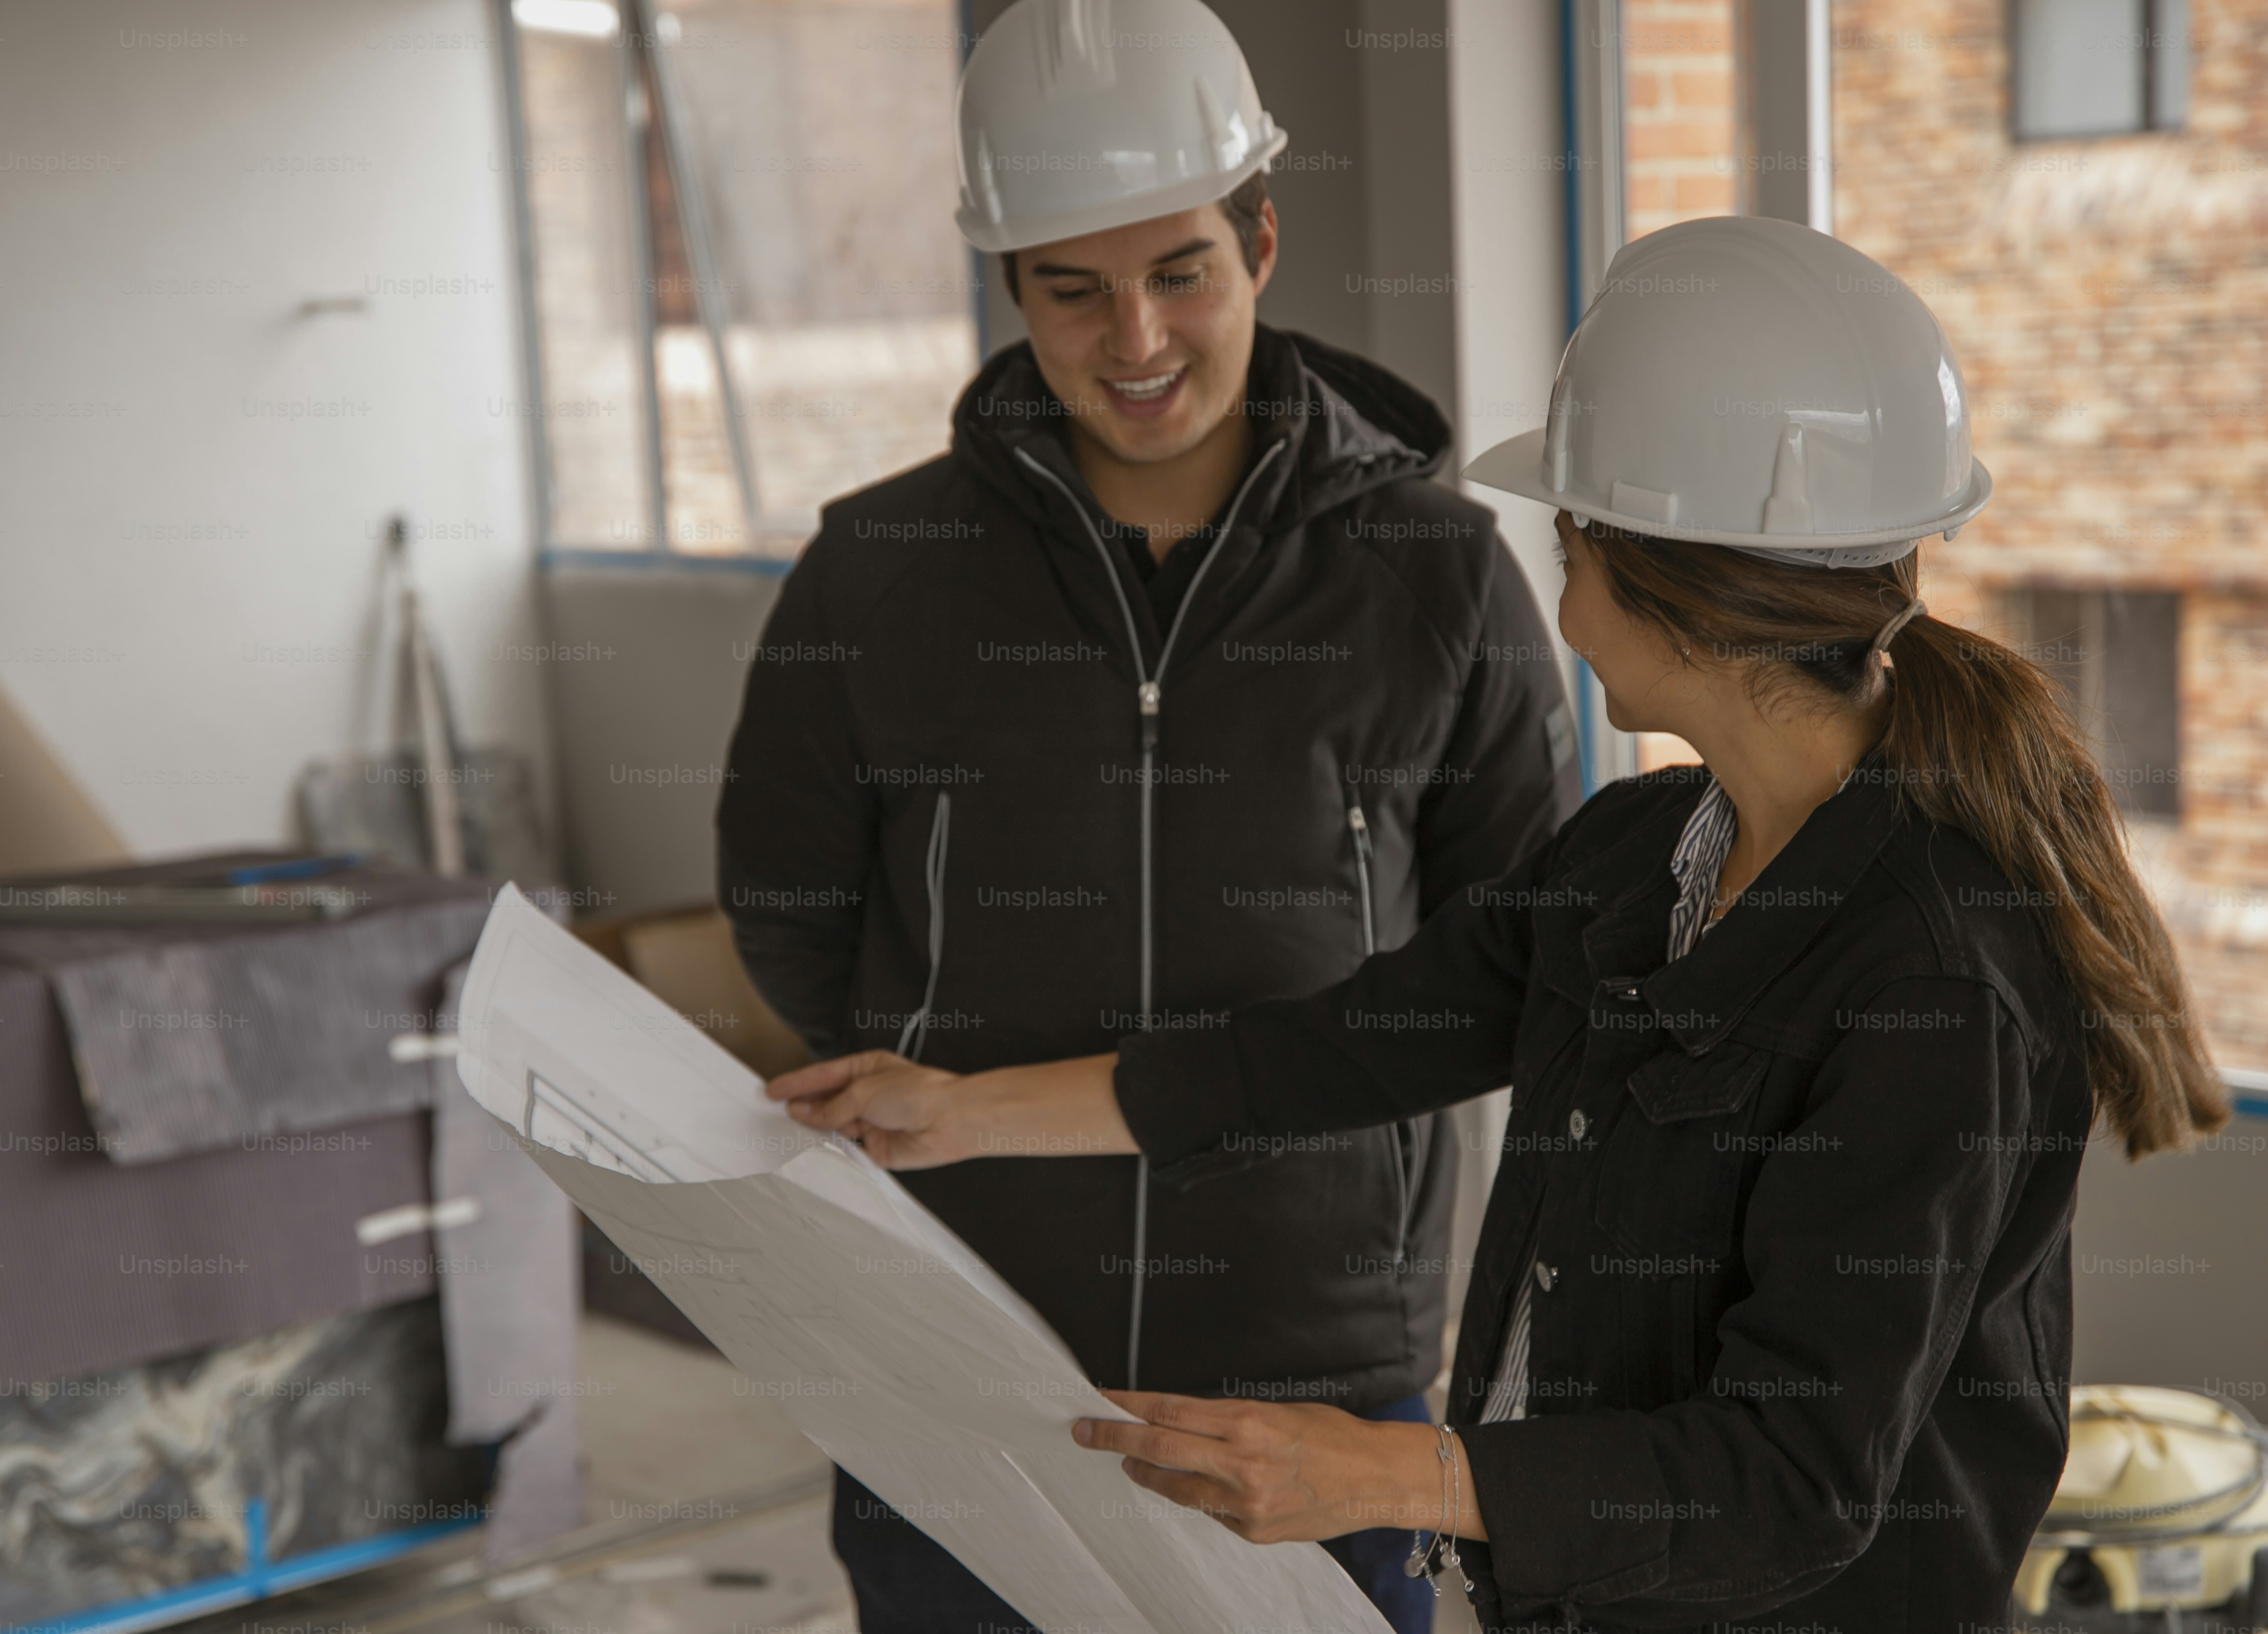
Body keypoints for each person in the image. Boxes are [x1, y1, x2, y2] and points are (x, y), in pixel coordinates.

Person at [761, 215, 2230, 1633]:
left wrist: (1373, 1468)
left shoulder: (1934, 978)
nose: (1563, 593)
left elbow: (1794, 1479)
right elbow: (1338, 1049)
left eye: (1574, 545)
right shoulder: (1635, 857)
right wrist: (957, 1109)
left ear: (1666, 582)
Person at [714, 1, 1576, 1628]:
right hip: (955, 1333)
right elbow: (788, 909)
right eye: (1073, 288)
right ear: (1010, 285)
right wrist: (954, 1076)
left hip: (1316, 1354)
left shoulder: (1434, 572)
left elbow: (1515, 954)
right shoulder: (876, 572)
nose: (1135, 341)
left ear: (1259, 236)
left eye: (1179, 269)